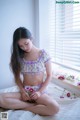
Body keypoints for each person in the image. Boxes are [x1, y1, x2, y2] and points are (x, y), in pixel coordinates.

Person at [0, 27, 59, 116]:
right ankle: (32, 106)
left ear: (31, 38)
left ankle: (22, 106)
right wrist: (23, 91)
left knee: (55, 108)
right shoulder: (19, 56)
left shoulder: (43, 54)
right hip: (25, 92)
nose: (24, 48)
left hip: (39, 91)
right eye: (21, 46)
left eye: (26, 43)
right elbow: (17, 77)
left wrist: (39, 92)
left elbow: (49, 75)